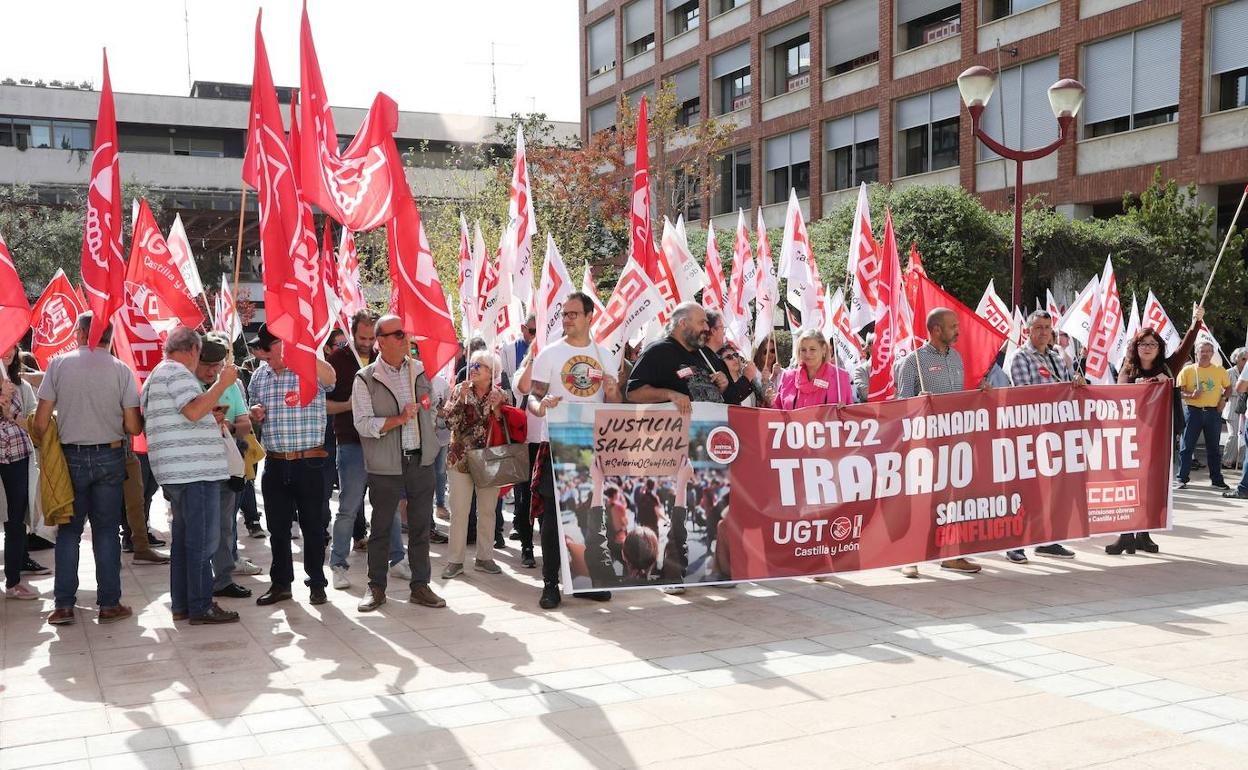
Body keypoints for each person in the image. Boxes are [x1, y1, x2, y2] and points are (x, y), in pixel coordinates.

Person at [33, 314, 143, 625]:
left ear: (81, 334)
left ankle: (64, 606)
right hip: (110, 455)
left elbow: (40, 423)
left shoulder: (58, 365)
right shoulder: (121, 369)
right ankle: (109, 604)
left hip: (71, 458)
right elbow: (133, 426)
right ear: (110, 336)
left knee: (69, 532)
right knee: (106, 531)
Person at [528, 291, 622, 609]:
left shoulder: (605, 356)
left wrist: (613, 391)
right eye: (564, 314)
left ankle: (584, 581)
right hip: (556, 443)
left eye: (573, 314)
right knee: (553, 517)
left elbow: (615, 405)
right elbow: (533, 396)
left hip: (591, 446)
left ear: (589, 317)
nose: (567, 319)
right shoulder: (550, 354)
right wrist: (541, 405)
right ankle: (550, 584)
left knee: (589, 515)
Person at [142, 327, 240, 625]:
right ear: (194, 350)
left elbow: (190, 414)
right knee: (202, 542)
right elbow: (194, 412)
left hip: (179, 471)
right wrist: (222, 384)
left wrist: (210, 414)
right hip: (193, 472)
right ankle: (200, 605)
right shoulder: (178, 373)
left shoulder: (159, 374)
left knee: (185, 542)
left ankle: (184, 604)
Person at [351, 315, 447, 612]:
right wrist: (398, 419)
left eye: (405, 333)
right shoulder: (366, 378)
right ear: (381, 341)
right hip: (386, 466)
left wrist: (431, 429)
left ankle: (420, 585)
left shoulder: (420, 370)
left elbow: (432, 409)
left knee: (420, 528)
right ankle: (376, 587)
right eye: (399, 334)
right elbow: (362, 424)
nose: (406, 338)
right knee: (381, 528)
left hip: (420, 461)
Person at [247, 324, 337, 606]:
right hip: (275, 463)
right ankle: (281, 584)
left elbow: (331, 379)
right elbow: (252, 408)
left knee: (313, 527)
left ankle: (317, 584)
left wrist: (302, 352)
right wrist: (254, 413)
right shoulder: (259, 376)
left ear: (282, 344)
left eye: (268, 349)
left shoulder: (308, 368)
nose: (263, 355)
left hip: (309, 462)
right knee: (278, 529)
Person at [894, 308, 983, 577]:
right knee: (919, 502)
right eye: (953, 326)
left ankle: (951, 555)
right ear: (936, 330)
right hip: (924, 444)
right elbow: (900, 403)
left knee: (951, 501)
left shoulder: (956, 358)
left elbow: (960, 397)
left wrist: (981, 394)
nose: (958, 330)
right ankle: (908, 556)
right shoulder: (913, 361)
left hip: (954, 443)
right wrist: (917, 402)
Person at [1004, 310, 1083, 562]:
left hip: (1055, 434)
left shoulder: (1057, 358)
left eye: (1047, 328)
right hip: (1031, 435)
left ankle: (1047, 541)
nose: (1043, 332)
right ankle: (1015, 544)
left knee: (1052, 491)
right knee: (1027, 491)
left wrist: (1076, 384)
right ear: (1028, 331)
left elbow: (1067, 392)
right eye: (1038, 327)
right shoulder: (1020, 357)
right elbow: (1026, 394)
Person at [440, 350, 524, 580]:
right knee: (459, 511)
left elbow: (509, 425)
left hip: (490, 459)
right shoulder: (461, 389)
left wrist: (498, 409)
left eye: (479, 366)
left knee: (487, 510)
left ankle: (485, 557)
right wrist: (460, 399)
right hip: (461, 459)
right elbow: (449, 422)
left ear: (491, 372)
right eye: (472, 365)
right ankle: (455, 561)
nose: (473, 369)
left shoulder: (501, 395)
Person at [192, 333, 255, 600]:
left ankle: (224, 579)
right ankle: (197, 581)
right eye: (206, 365)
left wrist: (229, 424)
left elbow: (246, 424)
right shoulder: (188, 385)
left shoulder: (231, 385)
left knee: (225, 525)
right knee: (197, 527)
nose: (211, 371)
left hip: (228, 463)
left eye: (216, 366)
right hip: (196, 465)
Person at [567, 454, 692, 588]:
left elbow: (595, 543)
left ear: (623, 554)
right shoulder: (670, 584)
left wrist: (598, 483)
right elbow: (677, 541)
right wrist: (682, 484)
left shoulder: (607, 587)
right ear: (656, 556)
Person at [1113, 328, 1180, 553]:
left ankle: (1144, 534)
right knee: (1129, 485)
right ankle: (1125, 535)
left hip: (1157, 438)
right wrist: (1142, 384)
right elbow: (1120, 391)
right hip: (1131, 437)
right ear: (1136, 347)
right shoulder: (1128, 369)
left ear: (1159, 348)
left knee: (1151, 487)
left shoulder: (1167, 369)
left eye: (1153, 344)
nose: (1148, 348)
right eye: (1143, 344)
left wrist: (1196, 323)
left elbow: (1184, 349)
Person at [627, 302, 754, 413]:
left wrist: (723, 386)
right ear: (683, 323)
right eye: (701, 322)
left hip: (711, 429)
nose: (706, 328)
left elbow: (730, 399)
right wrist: (670, 395)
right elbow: (633, 393)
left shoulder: (705, 354)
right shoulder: (658, 351)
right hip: (677, 431)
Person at [2, 345, 38, 599]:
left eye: (11, 348)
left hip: (18, 458)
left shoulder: (22, 388)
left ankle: (13, 580)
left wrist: (10, 412)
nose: (7, 353)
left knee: (15, 520)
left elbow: (33, 424)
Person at [1177, 338, 1232, 491]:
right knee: (1186, 447)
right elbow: (1178, 391)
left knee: (1214, 448)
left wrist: (1224, 399)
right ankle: (1181, 478)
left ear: (1213, 353)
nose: (1205, 354)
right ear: (1196, 353)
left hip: (1213, 412)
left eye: (1208, 351)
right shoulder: (1188, 370)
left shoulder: (1219, 370)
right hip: (1193, 411)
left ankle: (1216, 480)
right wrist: (1190, 395)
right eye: (1202, 351)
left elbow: (1228, 387)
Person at [773, 329, 852, 408]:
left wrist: (844, 411)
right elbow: (777, 410)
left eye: (812, 349)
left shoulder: (840, 377)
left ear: (824, 349)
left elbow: (851, 412)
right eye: (803, 350)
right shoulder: (788, 377)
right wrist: (769, 402)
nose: (807, 354)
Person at [1221, 347, 1248, 469]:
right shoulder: (1229, 372)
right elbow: (1224, 390)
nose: (1246, 361)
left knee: (1243, 436)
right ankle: (1227, 460)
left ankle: (1240, 461)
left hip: (1245, 408)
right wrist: (1240, 390)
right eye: (1243, 359)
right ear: (1236, 359)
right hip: (1232, 408)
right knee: (1233, 435)